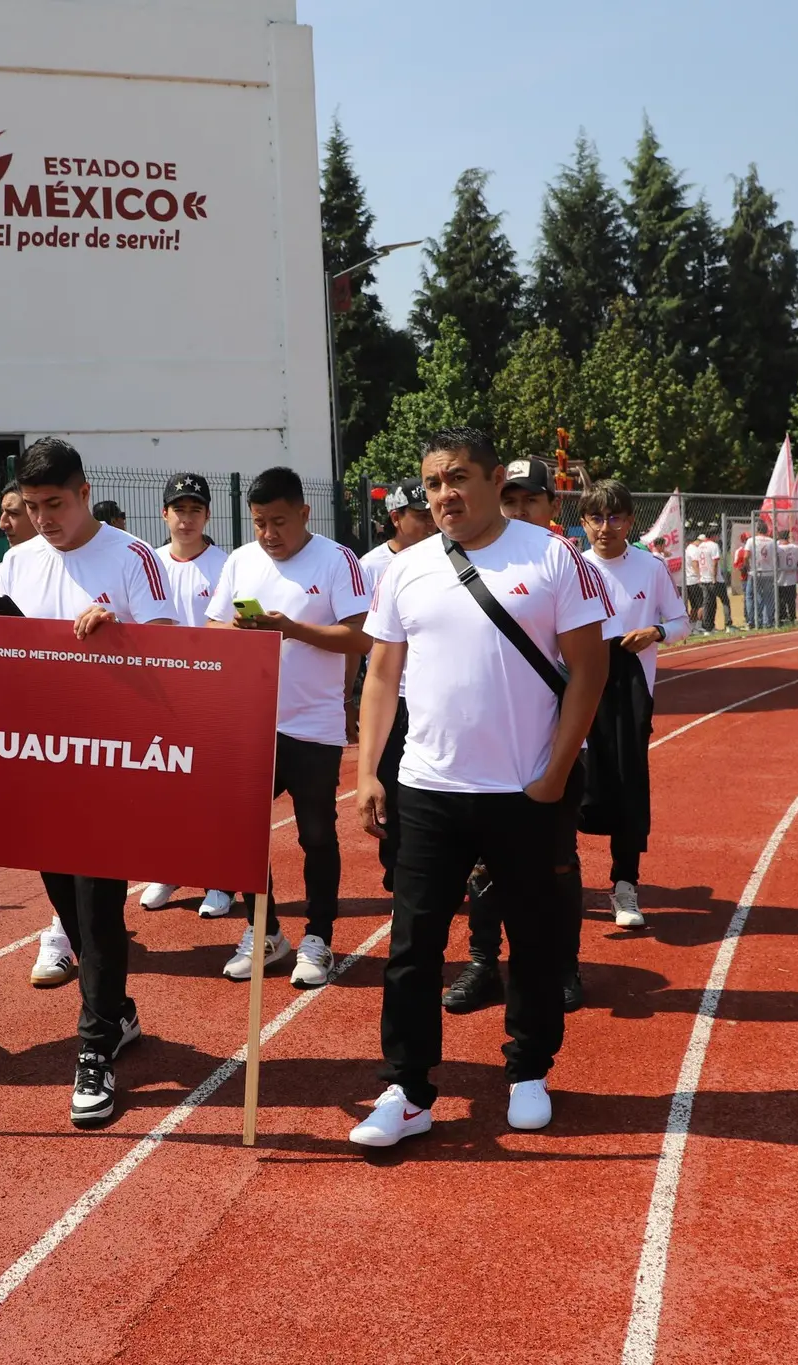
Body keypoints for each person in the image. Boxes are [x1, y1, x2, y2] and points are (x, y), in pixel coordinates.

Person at [349, 427, 610, 1148]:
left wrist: (555, 772)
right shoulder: (405, 569)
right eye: (433, 483)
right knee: (412, 945)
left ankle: (528, 1068)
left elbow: (590, 670)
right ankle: (408, 1089)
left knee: (532, 936)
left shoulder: (553, 557)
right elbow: (381, 676)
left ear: (496, 479)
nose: (444, 495)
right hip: (427, 787)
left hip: (524, 789)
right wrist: (368, 769)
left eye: (459, 477)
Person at [0, 437, 174, 1127]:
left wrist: (119, 633)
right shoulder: (15, 563)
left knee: (98, 914)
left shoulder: (133, 558)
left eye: (55, 504)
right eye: (31, 507)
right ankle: (117, 1011)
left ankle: (94, 1048)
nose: (43, 519)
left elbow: (177, 660)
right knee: (66, 902)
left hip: (113, 765)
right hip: (43, 763)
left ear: (85, 491)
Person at [444, 458, 614, 1017]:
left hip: (546, 751)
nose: (518, 511)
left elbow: (587, 667)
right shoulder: (465, 559)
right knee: (479, 866)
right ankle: (482, 961)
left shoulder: (563, 564)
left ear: (551, 508)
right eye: (510, 500)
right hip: (480, 755)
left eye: (530, 502)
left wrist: (562, 759)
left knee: (555, 863)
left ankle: (562, 963)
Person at [206, 468, 370, 987]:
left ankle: (318, 937)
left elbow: (360, 638)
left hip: (314, 726)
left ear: (304, 513)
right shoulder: (240, 560)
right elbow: (212, 625)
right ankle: (267, 932)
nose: (269, 534)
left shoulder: (337, 559)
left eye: (279, 521)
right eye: (259, 523)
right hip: (252, 721)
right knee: (240, 833)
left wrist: (291, 629)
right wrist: (236, 629)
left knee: (316, 834)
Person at [577, 480, 688, 932]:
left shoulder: (650, 567)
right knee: (570, 784)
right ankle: (558, 879)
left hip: (630, 694)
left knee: (627, 789)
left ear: (630, 521)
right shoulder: (571, 567)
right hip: (576, 687)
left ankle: (625, 883)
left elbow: (681, 622)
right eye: (596, 518)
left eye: (615, 517)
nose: (606, 527)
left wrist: (655, 633)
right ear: (582, 523)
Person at [138, 473, 235, 916]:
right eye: (179, 509)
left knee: (213, 792)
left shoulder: (227, 565)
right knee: (163, 793)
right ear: (165, 514)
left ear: (207, 515)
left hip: (213, 697)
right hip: (160, 698)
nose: (187, 518)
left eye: (196, 509)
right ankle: (168, 868)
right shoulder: (148, 563)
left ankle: (220, 877)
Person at [360, 479, 435, 892]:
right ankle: (396, 865)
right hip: (391, 695)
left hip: (428, 692)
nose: (429, 522)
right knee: (389, 784)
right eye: (419, 516)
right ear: (395, 518)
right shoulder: (372, 566)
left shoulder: (445, 559)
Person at [684, 528, 724, 633]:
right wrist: (700, 576)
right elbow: (695, 563)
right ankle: (697, 625)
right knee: (701, 604)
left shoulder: (688, 549)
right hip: (694, 580)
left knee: (695, 605)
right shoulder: (693, 549)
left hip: (689, 580)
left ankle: (693, 626)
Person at [745, 524, 778, 629]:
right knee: (768, 597)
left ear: (757, 530)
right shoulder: (772, 541)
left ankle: (752, 620)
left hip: (755, 572)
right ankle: (767, 621)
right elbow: (776, 556)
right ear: (766, 530)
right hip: (768, 572)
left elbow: (746, 556)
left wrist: (748, 567)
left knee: (750, 596)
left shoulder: (751, 540)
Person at [0, 482, 36, 551]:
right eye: (2, 512)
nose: (2, 525)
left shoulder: (60, 559)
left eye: (13, 513)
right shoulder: (10, 560)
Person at [776, 529, 798, 625]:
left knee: (781, 600)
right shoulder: (795, 547)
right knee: (791, 600)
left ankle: (783, 617)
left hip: (780, 578)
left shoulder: (778, 548)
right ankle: (792, 617)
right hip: (791, 578)